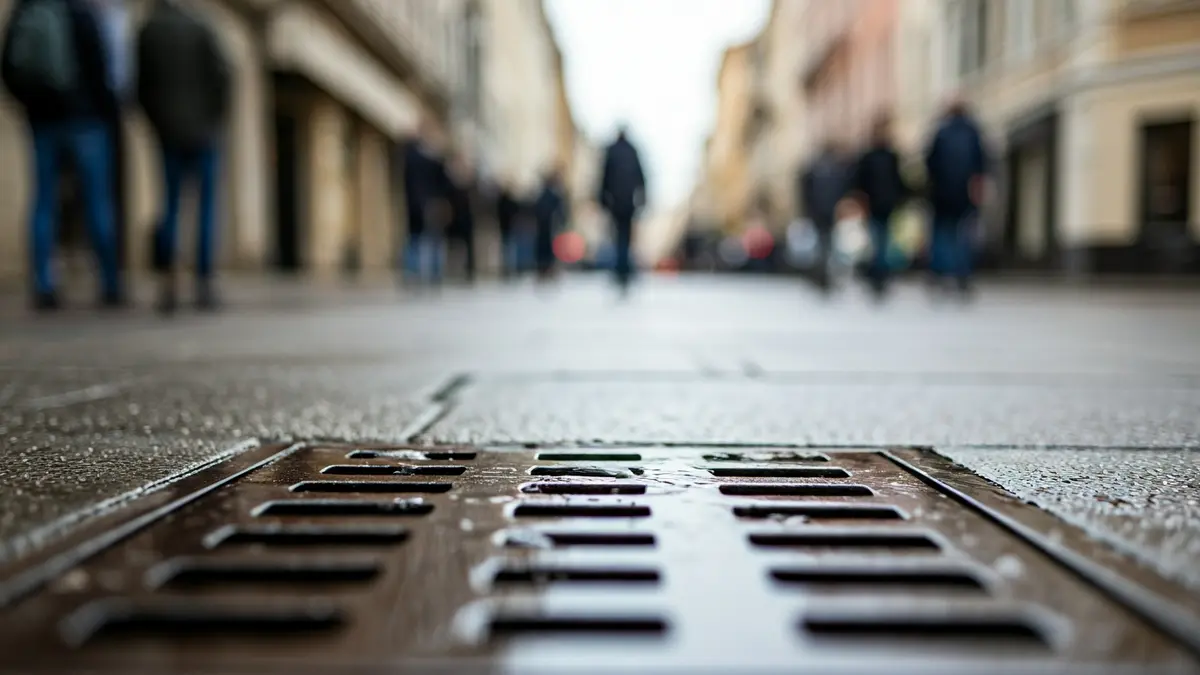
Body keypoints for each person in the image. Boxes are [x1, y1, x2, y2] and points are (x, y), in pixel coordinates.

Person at [2, 0, 123, 311]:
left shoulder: (25, 12)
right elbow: (100, 68)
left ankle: (43, 283)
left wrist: (31, 106)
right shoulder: (81, 12)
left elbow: (8, 67)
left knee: (43, 202)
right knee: (97, 201)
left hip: (43, 122)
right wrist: (108, 115)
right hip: (86, 120)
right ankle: (110, 282)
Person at [137, 0, 231, 314]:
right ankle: (204, 281)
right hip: (203, 133)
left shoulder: (148, 30)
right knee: (205, 208)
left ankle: (169, 280)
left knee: (171, 206)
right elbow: (222, 78)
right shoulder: (201, 25)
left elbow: (140, 86)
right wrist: (213, 120)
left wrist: (158, 122)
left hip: (168, 133)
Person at [924, 97, 990, 297]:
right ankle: (963, 274)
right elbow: (982, 164)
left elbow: (930, 163)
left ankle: (941, 272)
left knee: (943, 234)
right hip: (965, 193)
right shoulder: (973, 133)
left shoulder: (941, 133)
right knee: (963, 235)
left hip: (942, 193)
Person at [852, 114, 910, 298]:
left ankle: (878, 275)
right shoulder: (889, 156)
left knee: (879, 241)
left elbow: (860, 181)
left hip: (878, 204)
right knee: (881, 241)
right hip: (882, 204)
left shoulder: (871, 156)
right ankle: (880, 275)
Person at [597, 124, 646, 294]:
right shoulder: (632, 150)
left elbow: (604, 176)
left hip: (615, 202)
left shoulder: (611, 150)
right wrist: (642, 198)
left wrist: (602, 199)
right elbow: (641, 176)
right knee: (626, 236)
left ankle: (620, 269)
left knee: (618, 237)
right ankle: (624, 269)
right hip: (628, 202)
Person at [401, 120, 450, 287]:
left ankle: (422, 273)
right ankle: (419, 273)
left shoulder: (419, 155)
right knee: (421, 238)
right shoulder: (423, 156)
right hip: (423, 203)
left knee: (426, 238)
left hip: (425, 202)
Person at [800, 140, 850, 294]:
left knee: (823, 245)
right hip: (826, 212)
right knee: (825, 245)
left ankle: (822, 275)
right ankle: (822, 275)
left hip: (822, 212)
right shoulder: (835, 171)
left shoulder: (815, 170)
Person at [445, 153, 477, 284]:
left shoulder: (470, 183)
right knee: (452, 245)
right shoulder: (449, 182)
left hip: (466, 219)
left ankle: (469, 270)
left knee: (468, 246)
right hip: (453, 218)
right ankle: (452, 270)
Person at [533, 168, 568, 282]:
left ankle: (546, 268)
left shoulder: (544, 195)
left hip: (546, 228)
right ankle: (546, 268)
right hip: (547, 228)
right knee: (547, 249)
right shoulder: (551, 195)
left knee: (547, 249)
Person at [496, 182, 522, 279]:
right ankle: (509, 268)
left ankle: (509, 268)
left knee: (508, 249)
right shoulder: (506, 202)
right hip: (508, 228)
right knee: (509, 249)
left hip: (507, 228)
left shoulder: (502, 202)